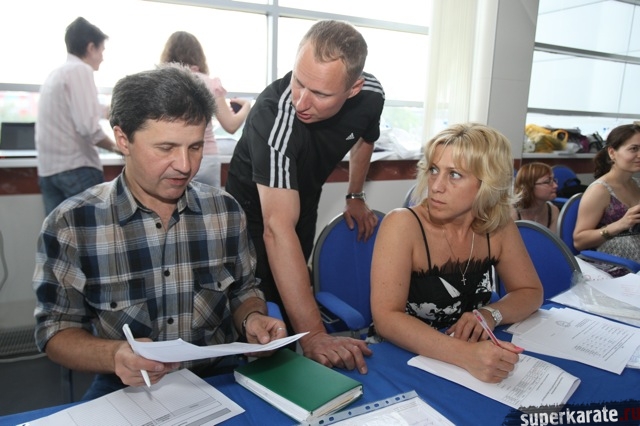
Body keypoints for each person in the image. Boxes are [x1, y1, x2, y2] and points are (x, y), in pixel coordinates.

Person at [33, 64, 286, 400]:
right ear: (123, 140)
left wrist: (251, 319)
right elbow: (55, 330)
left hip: (217, 377)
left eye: (195, 147)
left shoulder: (225, 212)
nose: (185, 165)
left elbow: (243, 290)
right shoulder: (72, 224)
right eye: (166, 148)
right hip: (124, 383)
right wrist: (114, 355)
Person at [225, 20, 384, 374]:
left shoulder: (372, 95)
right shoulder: (274, 117)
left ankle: (295, 370)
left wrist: (355, 194)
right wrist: (315, 336)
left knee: (293, 302)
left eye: (321, 94)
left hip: (304, 199)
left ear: (354, 88)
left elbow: (365, 138)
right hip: (252, 214)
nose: (301, 101)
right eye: (299, 81)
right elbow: (276, 228)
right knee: (258, 310)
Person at [370, 123, 543, 383]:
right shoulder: (402, 224)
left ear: (488, 182)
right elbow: (387, 318)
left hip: (467, 358)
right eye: (434, 170)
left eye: (454, 174)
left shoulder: (498, 226)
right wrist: (465, 355)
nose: (436, 186)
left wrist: (490, 314)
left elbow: (530, 291)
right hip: (402, 358)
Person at [35, 17, 119, 215]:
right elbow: (89, 128)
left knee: (57, 232)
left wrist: (113, 111)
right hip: (76, 168)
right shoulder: (80, 70)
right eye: (102, 51)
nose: (102, 58)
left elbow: (86, 111)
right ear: (91, 47)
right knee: (93, 231)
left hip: (48, 170)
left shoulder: (56, 74)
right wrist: (119, 148)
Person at [160, 30, 251, 188]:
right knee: (209, 201)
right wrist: (247, 107)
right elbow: (231, 126)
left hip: (171, 156)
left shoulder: (163, 82)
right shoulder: (209, 83)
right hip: (206, 156)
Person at [573, 123, 640, 272]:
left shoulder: (637, 184)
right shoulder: (600, 190)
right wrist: (621, 224)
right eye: (634, 149)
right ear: (612, 153)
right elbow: (579, 241)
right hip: (615, 267)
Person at [511, 162, 560, 233]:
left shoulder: (553, 211)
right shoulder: (511, 212)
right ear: (529, 186)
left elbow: (551, 240)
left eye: (553, 180)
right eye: (548, 181)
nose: (555, 186)